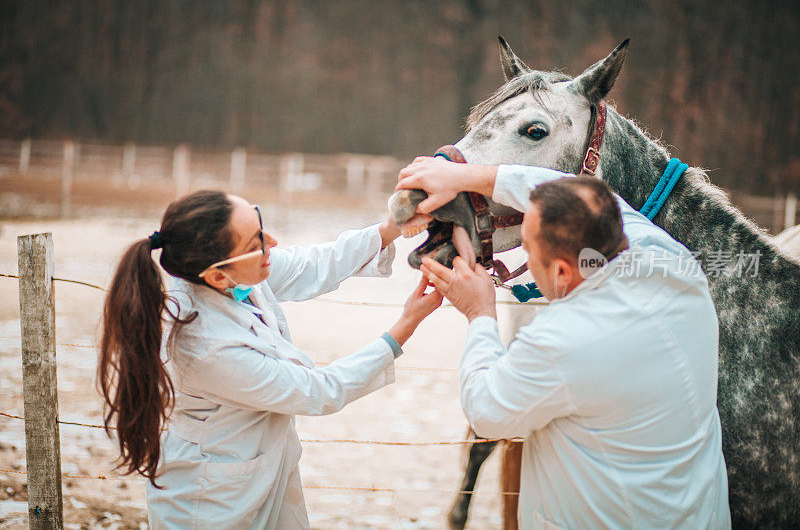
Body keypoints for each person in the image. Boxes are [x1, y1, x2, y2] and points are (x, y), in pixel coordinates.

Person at [398, 159, 731, 529]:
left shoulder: (564, 339)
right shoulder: (668, 258)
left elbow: (486, 410)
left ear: (560, 272)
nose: (525, 255)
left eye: (527, 248)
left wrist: (479, 313)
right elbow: (573, 191)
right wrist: (464, 176)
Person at [97, 190, 443, 529]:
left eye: (260, 225)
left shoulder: (233, 278)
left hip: (262, 469)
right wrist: (405, 326)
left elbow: (313, 264)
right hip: (214, 502)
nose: (272, 242)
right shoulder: (205, 346)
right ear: (217, 275)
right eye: (255, 243)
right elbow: (318, 392)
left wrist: (391, 228)